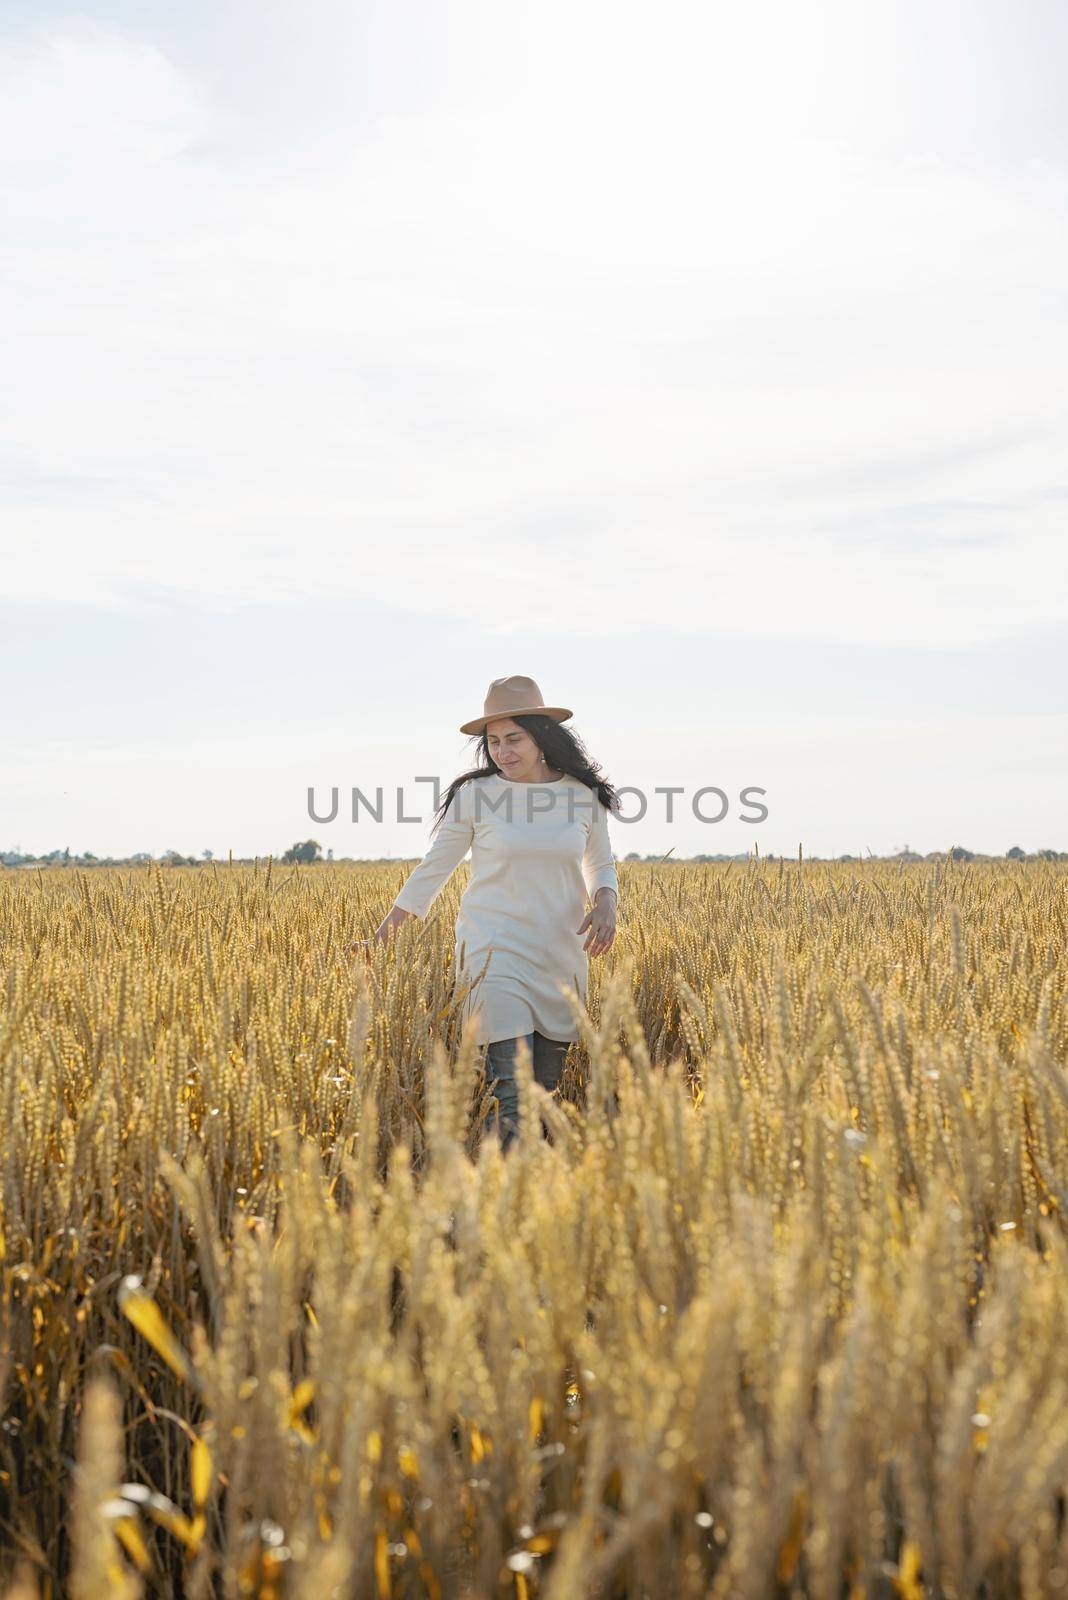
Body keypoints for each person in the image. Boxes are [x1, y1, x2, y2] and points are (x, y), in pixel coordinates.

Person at [357, 674, 620, 1151]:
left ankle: (532, 1203)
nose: (502, 751)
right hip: (492, 955)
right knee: (512, 1095)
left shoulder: (582, 796)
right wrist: (384, 933)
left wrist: (606, 899)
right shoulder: (476, 797)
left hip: (561, 956)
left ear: (541, 737)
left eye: (513, 739)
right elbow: (433, 869)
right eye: (493, 742)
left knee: (544, 1096)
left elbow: (599, 861)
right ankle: (497, 1204)